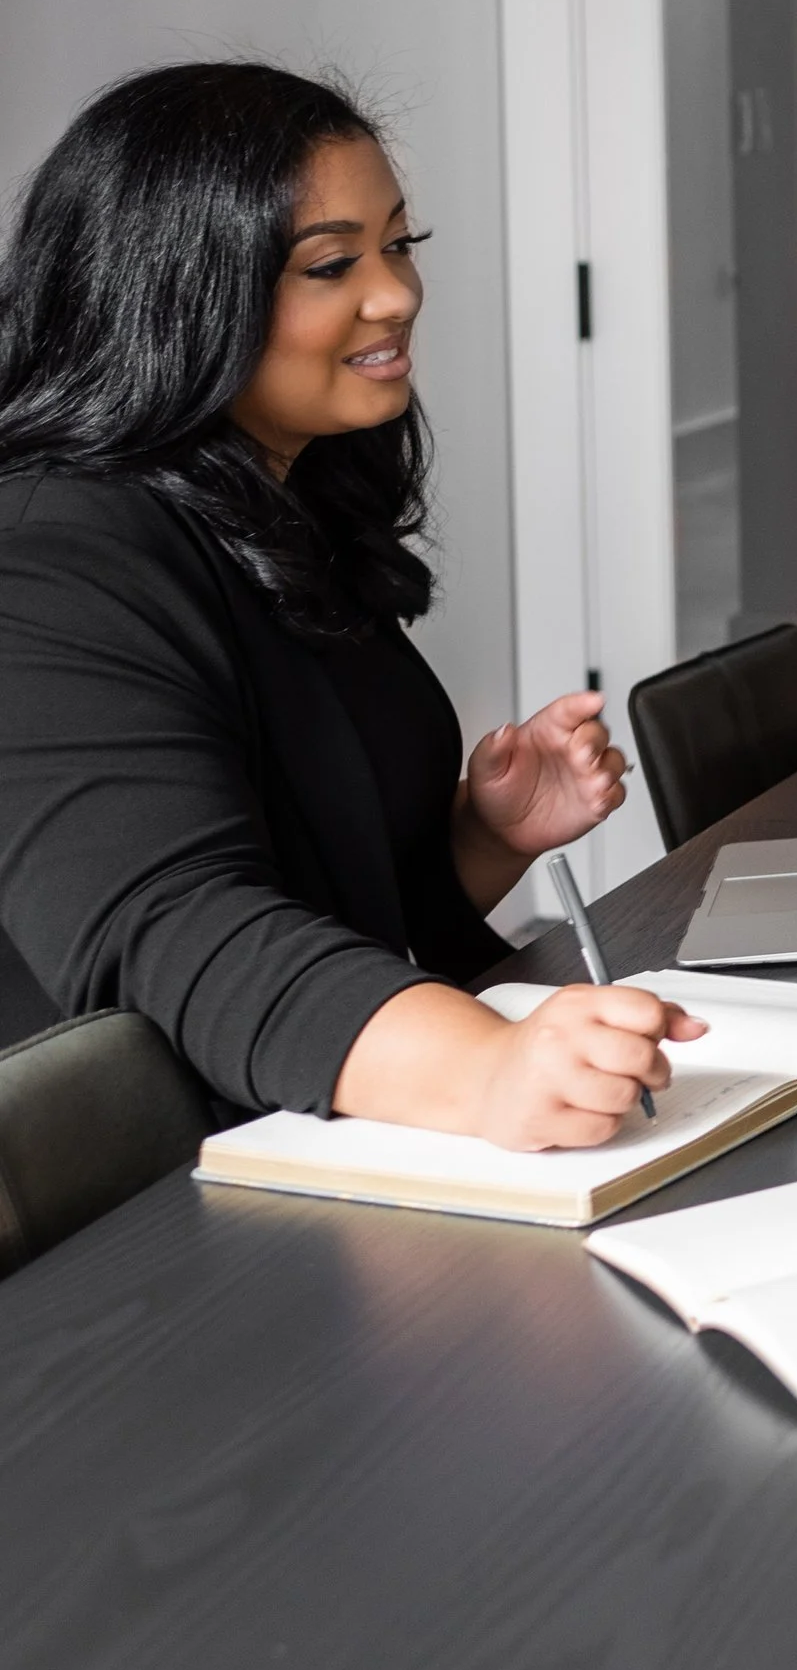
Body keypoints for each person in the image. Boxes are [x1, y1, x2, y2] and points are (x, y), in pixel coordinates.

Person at [0, 63, 704, 1149]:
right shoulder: (49, 555)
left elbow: (320, 887)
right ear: (175, 291)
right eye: (332, 263)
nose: (396, 294)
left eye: (399, 245)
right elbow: (176, 931)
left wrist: (481, 835)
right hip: (132, 1233)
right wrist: (482, 1070)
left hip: (297, 1140)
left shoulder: (285, 497)